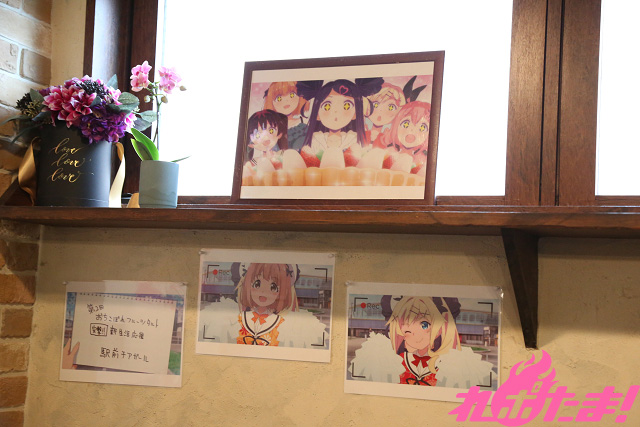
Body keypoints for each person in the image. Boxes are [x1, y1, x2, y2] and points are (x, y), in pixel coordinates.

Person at [386, 296, 461, 386]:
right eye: (405, 326)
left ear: (439, 329)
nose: (413, 332)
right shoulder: (399, 360)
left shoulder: (446, 365)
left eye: (424, 325)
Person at [298, 78, 383, 153]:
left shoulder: (353, 139)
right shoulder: (316, 139)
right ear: (317, 115)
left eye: (347, 106)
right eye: (327, 106)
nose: (336, 112)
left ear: (354, 114)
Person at [235, 263, 298, 346]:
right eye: (257, 284)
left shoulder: (280, 323)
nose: (263, 292)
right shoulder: (241, 318)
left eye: (273, 287)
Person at [263, 81, 311, 151]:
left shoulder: (305, 121)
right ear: (271, 103)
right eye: (279, 98)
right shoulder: (272, 128)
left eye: (292, 95)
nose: (286, 101)